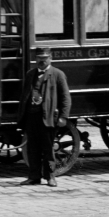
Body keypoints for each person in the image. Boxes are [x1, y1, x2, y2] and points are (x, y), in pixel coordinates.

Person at [17, 48, 71, 187]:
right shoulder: (30, 74)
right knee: (32, 149)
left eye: (45, 58)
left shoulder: (58, 75)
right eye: (39, 58)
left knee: (48, 149)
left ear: (50, 58)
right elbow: (24, 96)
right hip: (31, 117)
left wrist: (63, 117)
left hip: (47, 118)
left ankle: (50, 177)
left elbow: (66, 98)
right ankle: (34, 177)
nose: (42, 61)